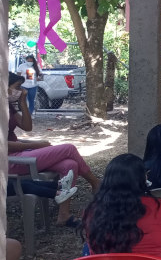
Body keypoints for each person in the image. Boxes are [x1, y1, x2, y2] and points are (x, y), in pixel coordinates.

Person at [7, 71, 100, 225]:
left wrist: (23, 102)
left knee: (70, 165)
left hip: (21, 154)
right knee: (68, 148)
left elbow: (27, 127)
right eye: (17, 87)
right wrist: (37, 145)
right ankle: (95, 183)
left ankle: (64, 215)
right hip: (10, 162)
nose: (21, 91)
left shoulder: (8, 108)